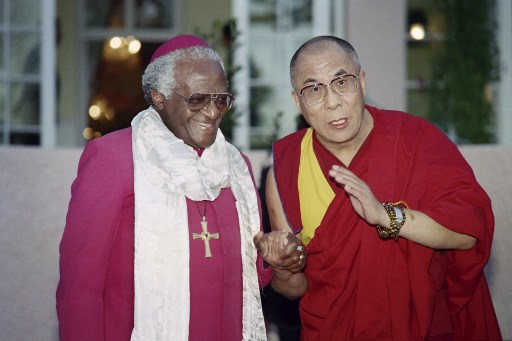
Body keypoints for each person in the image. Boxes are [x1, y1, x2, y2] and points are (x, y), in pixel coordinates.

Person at [56, 34, 302, 340]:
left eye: (221, 99)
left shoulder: (236, 166)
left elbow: (249, 278)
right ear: (160, 97)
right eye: (197, 99)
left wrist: (275, 259)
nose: (213, 113)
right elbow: (81, 287)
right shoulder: (115, 158)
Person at [263, 36, 502, 340]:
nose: (332, 101)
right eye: (313, 90)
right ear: (297, 101)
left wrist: (387, 216)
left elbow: (469, 233)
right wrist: (283, 268)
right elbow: (295, 288)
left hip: (422, 326)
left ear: (362, 82)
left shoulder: (415, 140)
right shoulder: (287, 170)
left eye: (342, 82)